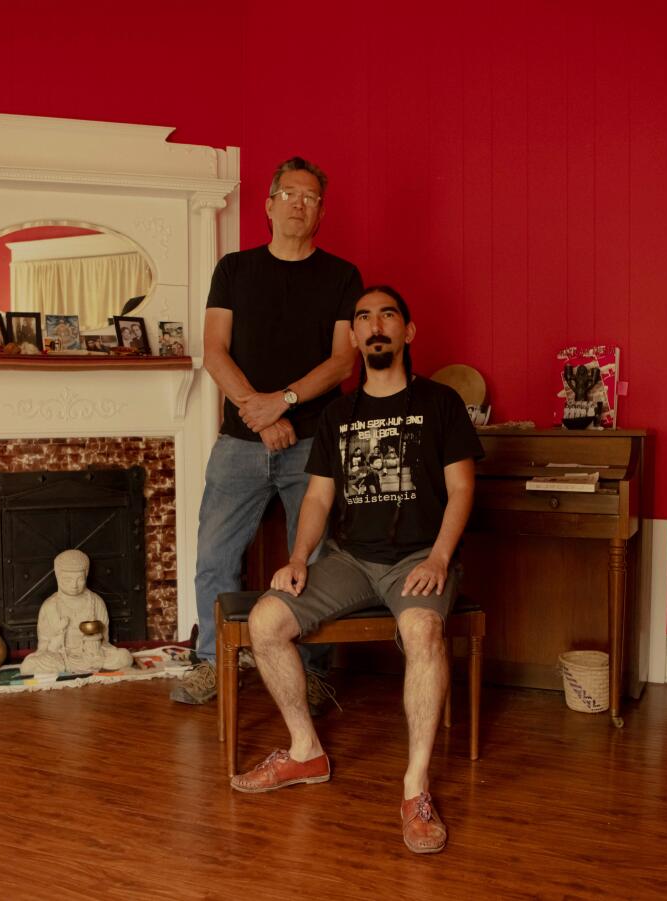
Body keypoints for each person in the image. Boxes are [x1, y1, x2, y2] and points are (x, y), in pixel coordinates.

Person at [229, 286, 482, 857]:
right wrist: (298, 559)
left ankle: (415, 789)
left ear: (407, 332)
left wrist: (440, 558)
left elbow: (462, 487)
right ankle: (304, 753)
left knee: (423, 632)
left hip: (419, 558)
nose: (375, 326)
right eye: (363, 318)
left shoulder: (441, 403)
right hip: (348, 560)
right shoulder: (340, 415)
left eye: (387, 315)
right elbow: (317, 500)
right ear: (353, 337)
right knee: (266, 622)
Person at [170, 156, 362, 710]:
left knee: (319, 560)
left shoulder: (341, 275)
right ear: (269, 203)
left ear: (321, 211)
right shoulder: (234, 269)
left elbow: (342, 360)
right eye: (291, 194)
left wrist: (285, 401)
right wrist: (261, 414)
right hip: (239, 444)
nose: (301, 204)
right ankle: (213, 663)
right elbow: (214, 352)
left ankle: (311, 671)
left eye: (312, 198)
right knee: (215, 555)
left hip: (314, 446)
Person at [20, 549, 134, 674]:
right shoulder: (49, 606)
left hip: (92, 655)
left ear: (86, 575)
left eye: (79, 579)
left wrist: (95, 643)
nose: (74, 585)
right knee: (29, 666)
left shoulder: (96, 602)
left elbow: (105, 640)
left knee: (125, 657)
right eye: (68, 580)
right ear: (58, 577)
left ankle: (86, 665)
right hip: (61, 657)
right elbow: (43, 647)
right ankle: (76, 667)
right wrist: (54, 643)